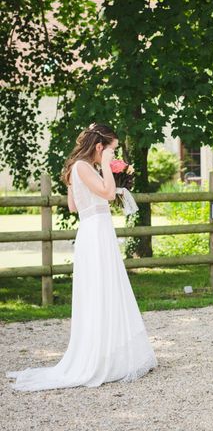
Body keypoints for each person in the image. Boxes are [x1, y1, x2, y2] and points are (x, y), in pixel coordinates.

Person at [7, 123, 157, 391]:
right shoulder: (83, 167)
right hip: (96, 232)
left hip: (93, 230)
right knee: (100, 289)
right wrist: (109, 169)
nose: (111, 153)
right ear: (99, 146)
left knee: (103, 289)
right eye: (110, 149)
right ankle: (100, 359)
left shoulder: (80, 167)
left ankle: (110, 353)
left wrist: (107, 178)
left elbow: (75, 205)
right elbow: (108, 194)